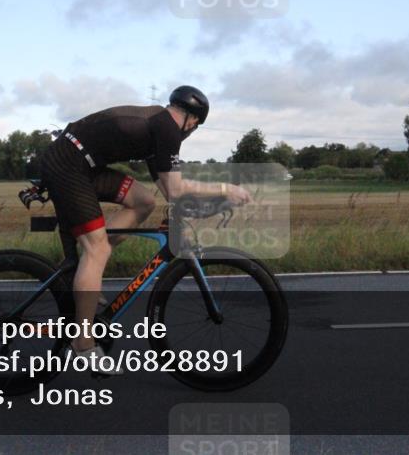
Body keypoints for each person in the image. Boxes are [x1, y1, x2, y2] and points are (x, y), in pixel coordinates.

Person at [39, 86, 252, 373]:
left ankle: (86, 269)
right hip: (68, 165)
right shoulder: (167, 129)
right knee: (97, 249)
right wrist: (226, 189)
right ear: (192, 120)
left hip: (81, 162)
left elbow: (169, 192)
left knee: (143, 201)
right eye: (195, 127)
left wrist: (211, 205)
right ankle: (83, 344)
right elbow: (177, 188)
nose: (191, 131)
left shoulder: (158, 128)